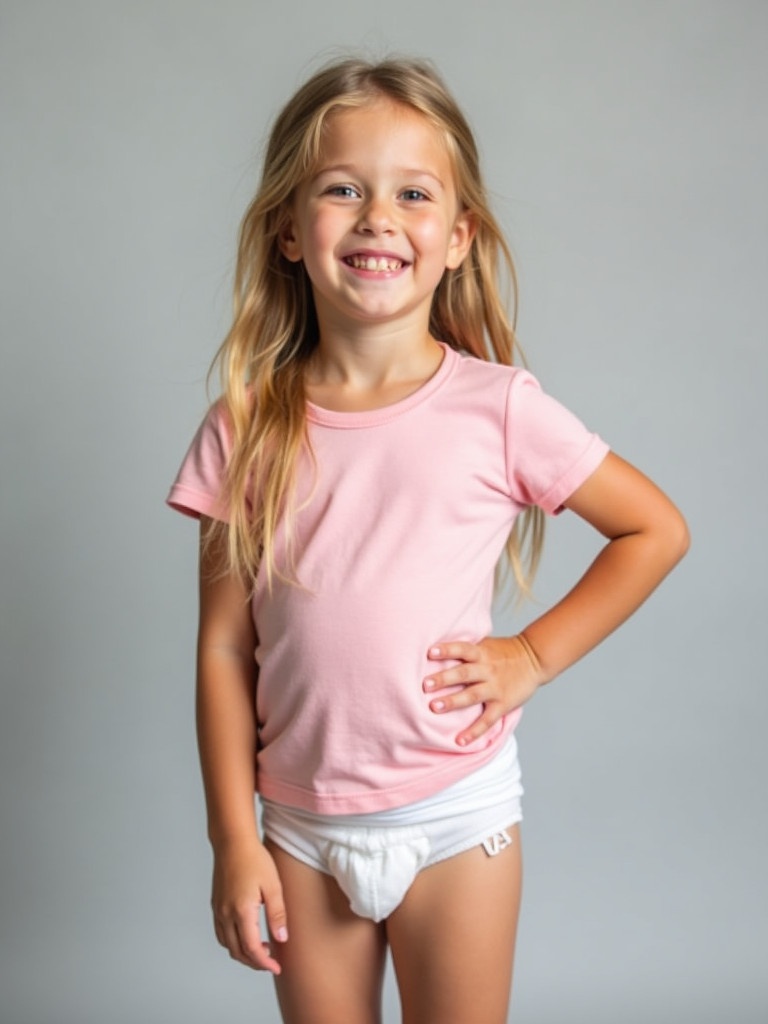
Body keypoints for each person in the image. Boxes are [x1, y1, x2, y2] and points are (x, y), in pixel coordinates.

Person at [167, 56, 689, 1024]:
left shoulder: (497, 409)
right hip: (298, 830)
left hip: (457, 819)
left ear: (457, 239)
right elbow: (223, 645)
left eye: (412, 192)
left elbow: (654, 528)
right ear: (288, 229)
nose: (376, 216)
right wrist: (232, 840)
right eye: (340, 189)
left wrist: (532, 654)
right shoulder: (244, 426)